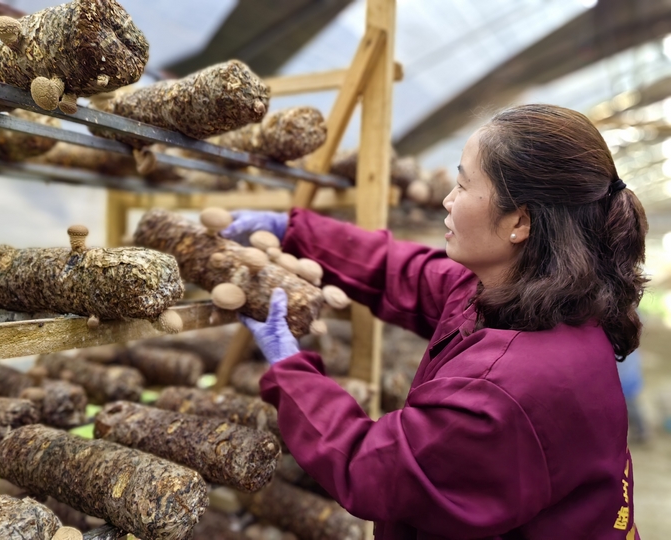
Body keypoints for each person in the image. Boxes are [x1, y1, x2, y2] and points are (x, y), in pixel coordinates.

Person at [222, 104, 647, 540]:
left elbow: (369, 467)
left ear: (519, 220)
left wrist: (288, 369)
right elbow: (408, 272)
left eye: (462, 185)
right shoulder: (542, 296)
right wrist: (296, 232)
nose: (447, 199)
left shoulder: (501, 392)